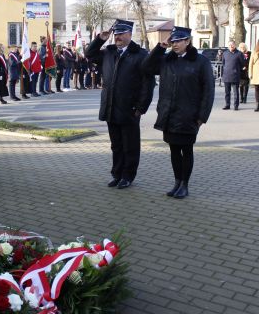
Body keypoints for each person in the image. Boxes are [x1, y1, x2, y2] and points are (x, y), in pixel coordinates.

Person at [142, 27, 214, 198]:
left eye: (178, 41)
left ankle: (185, 184)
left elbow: (208, 90)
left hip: (189, 115)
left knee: (186, 150)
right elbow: (146, 67)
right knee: (174, 150)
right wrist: (160, 48)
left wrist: (202, 116)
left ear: (187, 41)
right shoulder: (167, 60)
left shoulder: (200, 61)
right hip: (169, 113)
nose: (174, 44)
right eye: (172, 41)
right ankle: (176, 182)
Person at [85, 19, 155, 190]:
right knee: (116, 144)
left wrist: (141, 107)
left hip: (130, 108)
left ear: (130, 34)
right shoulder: (109, 53)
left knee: (130, 145)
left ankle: (128, 176)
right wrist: (100, 39)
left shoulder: (140, 55)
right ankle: (117, 174)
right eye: (116, 34)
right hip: (111, 106)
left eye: (122, 34)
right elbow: (89, 54)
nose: (118, 37)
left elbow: (148, 83)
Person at [221, 40, 245, 110]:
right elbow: (223, 64)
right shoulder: (225, 53)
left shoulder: (239, 54)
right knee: (227, 92)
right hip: (226, 75)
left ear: (235, 45)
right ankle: (227, 105)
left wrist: (237, 70)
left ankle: (236, 106)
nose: (231, 46)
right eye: (229, 45)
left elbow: (242, 64)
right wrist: (223, 74)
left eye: (232, 45)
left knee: (235, 92)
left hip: (235, 76)